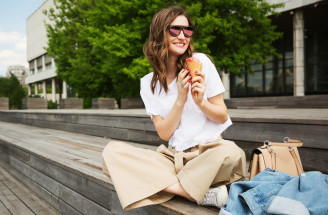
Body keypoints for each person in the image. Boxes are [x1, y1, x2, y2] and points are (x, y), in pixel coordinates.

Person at [102, 5, 246, 211]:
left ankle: (171, 186)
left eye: (187, 30)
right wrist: (180, 98)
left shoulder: (201, 62)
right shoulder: (148, 83)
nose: (182, 36)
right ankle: (195, 193)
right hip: (173, 158)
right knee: (112, 154)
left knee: (232, 152)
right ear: (160, 33)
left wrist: (201, 102)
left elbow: (222, 116)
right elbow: (164, 132)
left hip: (209, 154)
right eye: (175, 29)